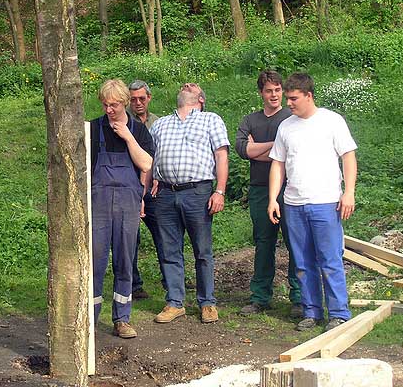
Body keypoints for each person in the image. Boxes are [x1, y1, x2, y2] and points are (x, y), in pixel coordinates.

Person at [267, 73, 357, 332]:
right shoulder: (286, 126)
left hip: (325, 202)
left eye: (293, 98)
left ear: (308, 95)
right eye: (287, 98)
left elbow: (348, 157)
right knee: (302, 262)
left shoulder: (331, 121)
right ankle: (311, 311)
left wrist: (348, 192)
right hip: (293, 204)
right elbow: (278, 165)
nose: (289, 103)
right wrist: (273, 198)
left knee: (330, 259)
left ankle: (338, 313)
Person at [149, 83, 229, 324]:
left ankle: (207, 302)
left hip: (198, 192)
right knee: (168, 249)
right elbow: (150, 157)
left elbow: (221, 155)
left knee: (202, 250)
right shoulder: (160, 123)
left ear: (201, 99)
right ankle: (174, 302)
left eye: (193, 87)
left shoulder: (210, 119)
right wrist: (149, 185)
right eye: (185, 85)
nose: (187, 85)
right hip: (165, 192)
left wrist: (220, 191)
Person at [235, 71, 302, 317]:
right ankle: (260, 296)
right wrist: (275, 147)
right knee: (264, 244)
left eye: (277, 90)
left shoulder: (291, 118)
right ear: (261, 93)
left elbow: (290, 152)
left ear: (282, 91)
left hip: (291, 189)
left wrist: (258, 149)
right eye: (268, 90)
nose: (273, 95)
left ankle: (299, 298)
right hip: (260, 190)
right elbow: (243, 150)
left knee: (295, 244)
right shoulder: (250, 120)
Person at [91, 79, 154, 339]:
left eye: (114, 105)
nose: (109, 110)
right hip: (98, 203)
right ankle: (89, 319)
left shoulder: (138, 131)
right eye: (105, 105)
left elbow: (146, 163)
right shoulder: (93, 129)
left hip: (127, 203)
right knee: (95, 261)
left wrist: (127, 136)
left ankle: (122, 318)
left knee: (125, 260)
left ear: (125, 103)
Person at [127, 80, 161, 300]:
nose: (138, 103)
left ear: (149, 98)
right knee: (131, 237)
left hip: (155, 188)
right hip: (131, 186)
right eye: (133, 99)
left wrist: (157, 176)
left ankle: (170, 280)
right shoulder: (124, 122)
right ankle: (133, 283)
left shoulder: (158, 122)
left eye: (142, 98)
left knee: (163, 234)